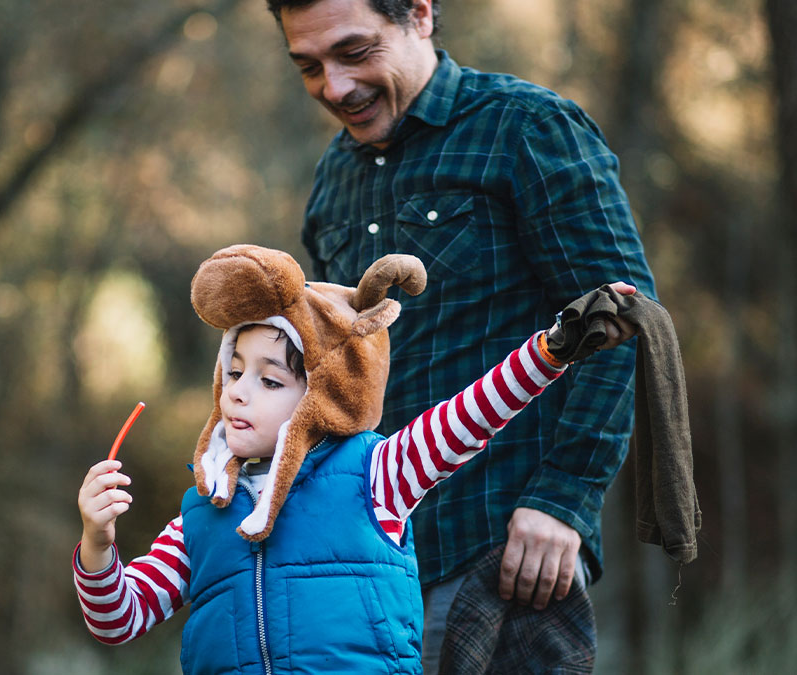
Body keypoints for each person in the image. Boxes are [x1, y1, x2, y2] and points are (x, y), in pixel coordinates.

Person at [264, 0, 658, 670]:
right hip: (374, 571)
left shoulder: (526, 127)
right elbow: (336, 381)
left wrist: (563, 499)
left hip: (506, 554)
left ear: (419, 13)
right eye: (309, 66)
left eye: (355, 52)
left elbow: (622, 318)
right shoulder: (333, 179)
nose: (335, 87)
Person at [74, 244, 637, 674]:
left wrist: (553, 348)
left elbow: (471, 415)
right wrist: (98, 545)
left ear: (323, 396)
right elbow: (119, 620)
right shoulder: (200, 512)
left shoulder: (378, 474)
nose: (239, 392)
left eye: (270, 380)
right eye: (235, 371)